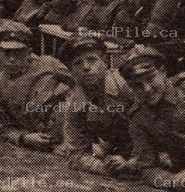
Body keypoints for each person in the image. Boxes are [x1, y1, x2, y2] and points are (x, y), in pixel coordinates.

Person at [122, 45, 185, 192]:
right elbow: (146, 167)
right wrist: (175, 182)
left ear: (163, 72)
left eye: (150, 78)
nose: (147, 89)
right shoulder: (138, 116)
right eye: (137, 85)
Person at [56, 34, 139, 177]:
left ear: (105, 62)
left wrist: (133, 162)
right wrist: (105, 168)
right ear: (70, 71)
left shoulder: (127, 85)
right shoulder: (75, 105)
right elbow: (76, 155)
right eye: (77, 63)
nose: (86, 67)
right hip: (123, 153)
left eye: (92, 60)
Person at [0, 20, 75, 149]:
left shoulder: (49, 64)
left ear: (29, 51)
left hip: (74, 135)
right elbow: (4, 127)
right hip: (42, 145)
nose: (11, 59)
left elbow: (81, 86)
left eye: (18, 52)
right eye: (6, 53)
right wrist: (24, 138)